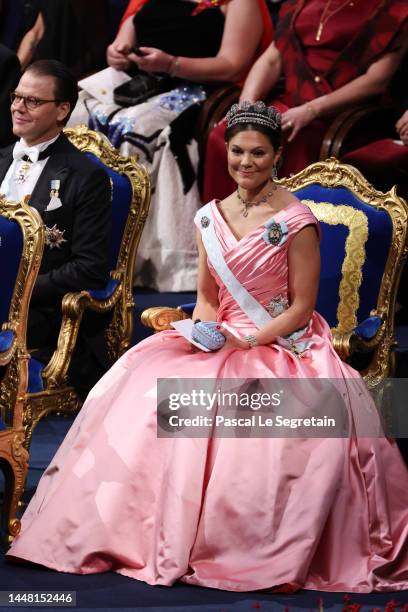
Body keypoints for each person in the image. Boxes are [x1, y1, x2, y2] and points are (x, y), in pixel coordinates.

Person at [7, 102, 408, 593]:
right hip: (224, 335)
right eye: (237, 152)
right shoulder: (209, 217)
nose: (245, 163)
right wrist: (202, 331)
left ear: (277, 155)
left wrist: (248, 339)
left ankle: (226, 543)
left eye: (258, 153)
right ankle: (128, 533)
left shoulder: (298, 221)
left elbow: (302, 308)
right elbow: (206, 298)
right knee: (138, 390)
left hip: (282, 342)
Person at [69, 0, 273, 292]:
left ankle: (131, 254)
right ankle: (71, 239)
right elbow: (124, 39)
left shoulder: (240, 3)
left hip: (193, 88)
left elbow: (232, 65)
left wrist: (172, 64)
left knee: (134, 130)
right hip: (138, 83)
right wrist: (116, 52)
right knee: (75, 112)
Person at [203, 0, 408, 202]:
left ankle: (277, 231)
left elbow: (376, 80)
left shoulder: (392, 8)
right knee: (225, 134)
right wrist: (245, 107)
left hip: (336, 113)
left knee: (281, 141)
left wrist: (311, 110)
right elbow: (273, 58)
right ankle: (219, 229)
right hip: (291, 100)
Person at [0, 60, 112, 396]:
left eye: (32, 101)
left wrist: (17, 291)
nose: (18, 107)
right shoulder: (1, 160)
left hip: (37, 313)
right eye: (16, 97)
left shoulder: (85, 176)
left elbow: (90, 268)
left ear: (62, 110)